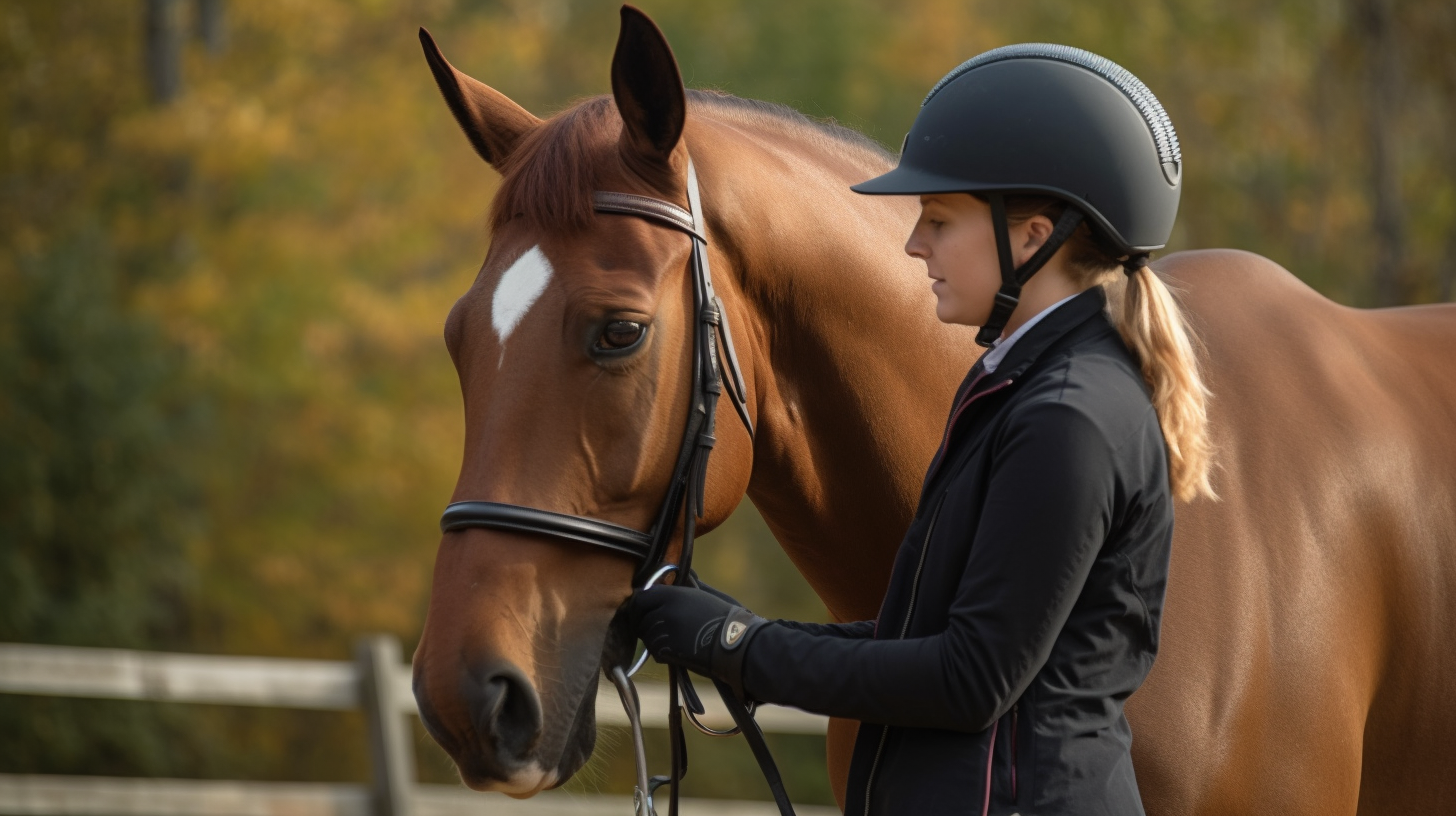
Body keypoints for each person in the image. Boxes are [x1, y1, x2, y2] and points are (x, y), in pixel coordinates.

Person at [628, 44, 1215, 816]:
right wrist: (733, 633)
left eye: (938, 221)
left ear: (1032, 237)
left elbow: (969, 681)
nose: (914, 246)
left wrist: (738, 650)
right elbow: (923, 631)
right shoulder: (1017, 387)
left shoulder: (1068, 418)